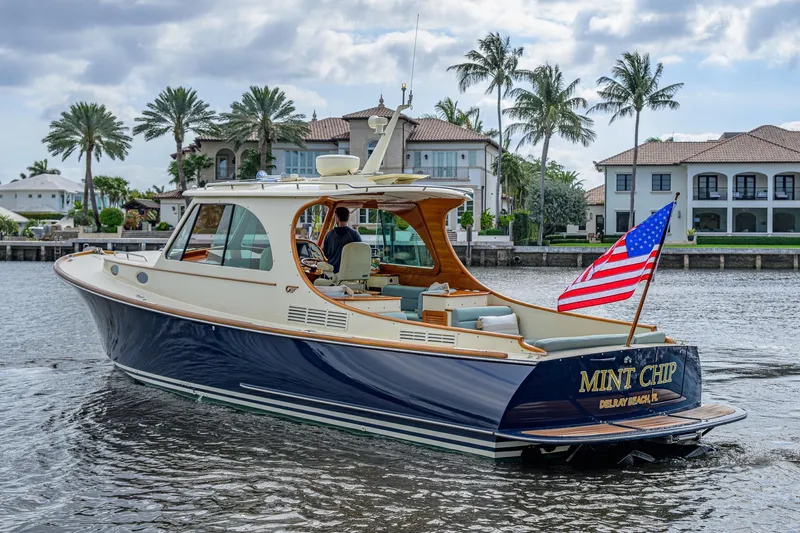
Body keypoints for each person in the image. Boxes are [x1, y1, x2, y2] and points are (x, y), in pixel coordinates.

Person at [323, 207, 362, 273]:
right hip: (350, 273)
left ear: (337, 218)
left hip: (332, 273)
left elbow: (326, 254)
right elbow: (360, 253)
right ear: (348, 218)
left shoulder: (329, 235)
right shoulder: (354, 234)